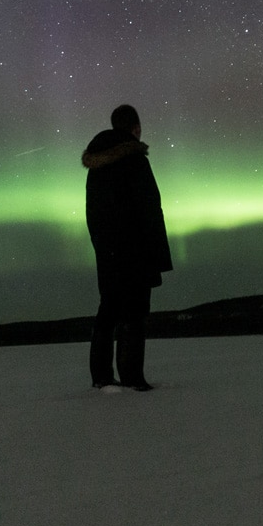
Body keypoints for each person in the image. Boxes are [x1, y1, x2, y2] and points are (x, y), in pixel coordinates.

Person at [82, 104, 173, 391]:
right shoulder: (135, 161)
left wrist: (102, 245)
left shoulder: (97, 169)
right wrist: (157, 255)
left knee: (108, 308)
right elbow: (150, 210)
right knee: (134, 311)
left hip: (107, 252)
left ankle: (101, 377)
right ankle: (132, 378)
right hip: (136, 252)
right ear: (135, 128)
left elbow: (93, 214)